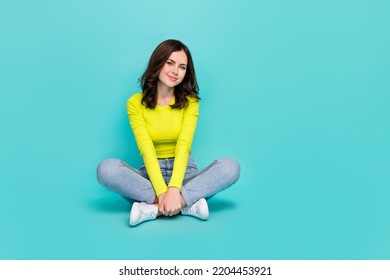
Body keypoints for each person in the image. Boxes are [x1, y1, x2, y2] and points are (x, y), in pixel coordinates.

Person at [96, 39, 240, 226]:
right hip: (149, 176)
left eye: (182, 67)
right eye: (170, 63)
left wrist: (174, 189)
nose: (175, 71)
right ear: (158, 63)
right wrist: (162, 191)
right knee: (106, 169)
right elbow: (146, 149)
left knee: (231, 167)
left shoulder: (190, 103)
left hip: (185, 174)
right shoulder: (135, 103)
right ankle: (186, 205)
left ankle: (155, 208)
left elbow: (183, 145)